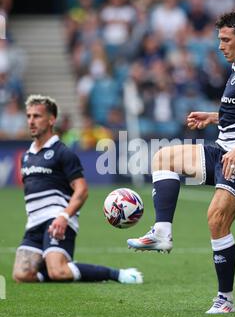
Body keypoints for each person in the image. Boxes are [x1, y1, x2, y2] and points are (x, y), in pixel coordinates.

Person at [127, 10, 235, 313]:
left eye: (226, 40)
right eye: (219, 40)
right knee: (164, 158)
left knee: (216, 219)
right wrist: (214, 116)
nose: (220, 46)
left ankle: (225, 300)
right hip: (225, 147)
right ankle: (161, 232)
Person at [13, 95, 143, 285]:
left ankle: (117, 274)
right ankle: (57, 266)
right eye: (29, 116)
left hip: (58, 219)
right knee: (22, 275)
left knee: (58, 272)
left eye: (37, 116)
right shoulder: (26, 156)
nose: (31, 121)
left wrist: (64, 216)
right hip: (34, 224)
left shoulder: (62, 152)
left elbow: (81, 190)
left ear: (51, 120)